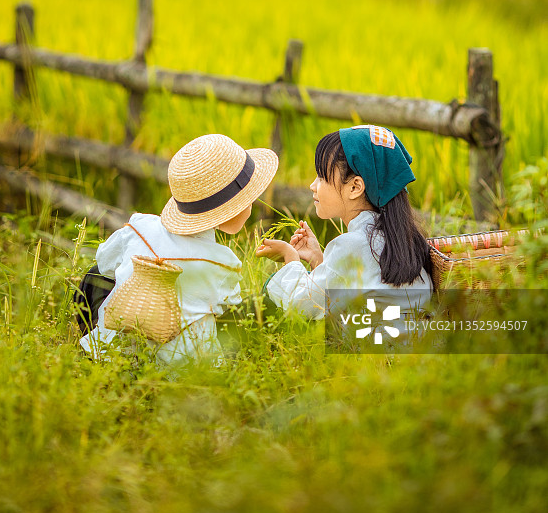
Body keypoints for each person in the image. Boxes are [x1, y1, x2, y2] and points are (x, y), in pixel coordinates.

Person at [79, 133, 278, 367]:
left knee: (94, 274)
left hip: (114, 355)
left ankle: (100, 342)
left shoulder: (139, 228)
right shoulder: (223, 263)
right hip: (180, 367)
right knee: (256, 309)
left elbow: (104, 262)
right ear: (231, 209)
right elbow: (229, 306)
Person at [255, 125, 433, 323]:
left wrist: (291, 258)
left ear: (355, 187)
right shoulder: (404, 241)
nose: (313, 186)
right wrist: (318, 260)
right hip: (410, 340)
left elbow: (302, 305)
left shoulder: (353, 245)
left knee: (261, 304)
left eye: (321, 177)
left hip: (370, 342)